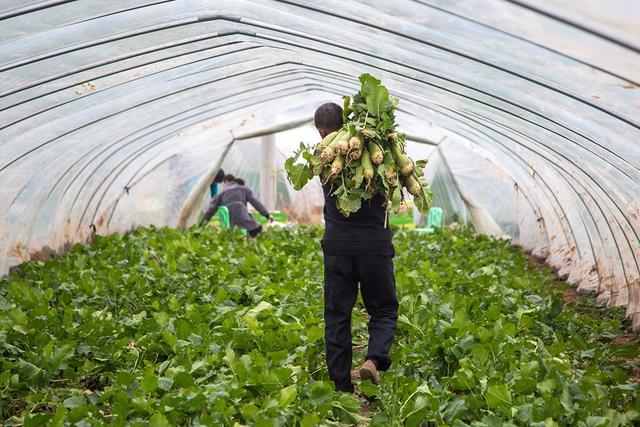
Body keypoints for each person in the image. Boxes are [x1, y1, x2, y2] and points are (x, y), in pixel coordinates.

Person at [314, 102, 398, 393]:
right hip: (375, 244)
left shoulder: (321, 158)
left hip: (337, 245)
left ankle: (341, 387)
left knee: (337, 314)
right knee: (384, 309)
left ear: (320, 131)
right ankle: (374, 359)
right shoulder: (380, 149)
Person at [200, 174, 273, 237]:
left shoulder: (221, 193)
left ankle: (247, 241)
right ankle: (251, 243)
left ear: (225, 182)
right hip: (243, 217)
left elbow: (210, 210)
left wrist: (200, 226)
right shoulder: (243, 188)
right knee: (256, 228)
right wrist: (266, 215)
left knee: (236, 235)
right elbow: (255, 202)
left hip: (229, 221)